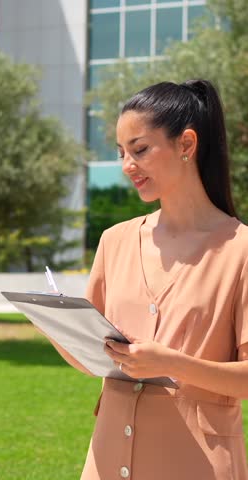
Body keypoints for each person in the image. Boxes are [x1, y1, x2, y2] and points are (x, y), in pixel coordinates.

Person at [47, 79, 248, 479]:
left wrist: (172, 363)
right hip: (107, 461)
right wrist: (58, 326)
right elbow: (90, 358)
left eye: (140, 150)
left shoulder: (241, 249)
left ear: (186, 145)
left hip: (196, 465)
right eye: (121, 153)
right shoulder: (115, 241)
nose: (126, 166)